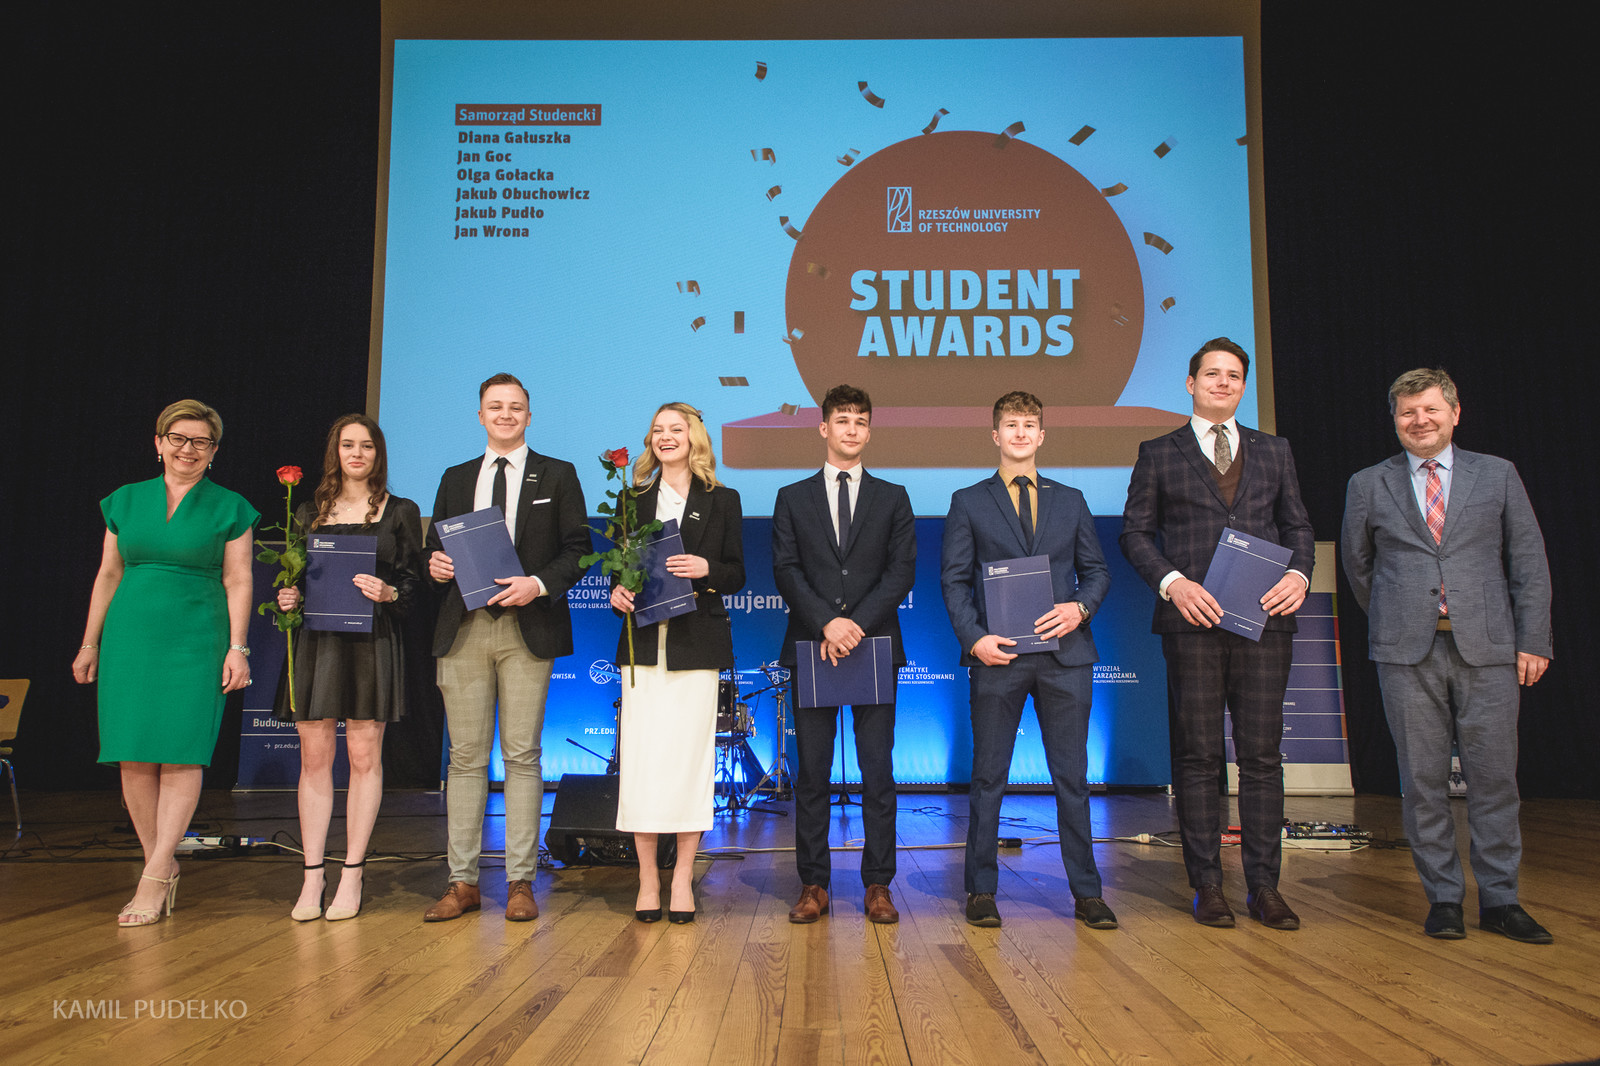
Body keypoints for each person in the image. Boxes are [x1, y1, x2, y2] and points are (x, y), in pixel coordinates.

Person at [1341, 368, 1553, 943]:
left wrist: (1533, 639)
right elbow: (1359, 567)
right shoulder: (1368, 483)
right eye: (1408, 412)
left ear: (1455, 413)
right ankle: (1443, 900)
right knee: (1422, 782)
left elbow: (1528, 562)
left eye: (1431, 409)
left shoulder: (1498, 474)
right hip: (1407, 654)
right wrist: (1399, 614)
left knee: (1495, 781)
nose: (1420, 421)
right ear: (1395, 420)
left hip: (1490, 649)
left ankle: (1502, 901)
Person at [1119, 337, 1313, 931]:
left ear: (1243, 387)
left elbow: (1297, 526)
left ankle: (1265, 887)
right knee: (1199, 756)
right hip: (1193, 623)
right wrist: (1173, 583)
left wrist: (1300, 575)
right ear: (1190, 383)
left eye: (1233, 375)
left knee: (1261, 757)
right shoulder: (1158, 452)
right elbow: (1135, 534)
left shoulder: (1275, 450)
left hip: (1264, 622)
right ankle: (1207, 884)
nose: (1223, 383)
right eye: (1212, 374)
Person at [72, 400, 258, 926]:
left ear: (213, 451)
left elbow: (238, 579)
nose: (187, 449)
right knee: (132, 753)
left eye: (201, 441)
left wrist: (237, 647)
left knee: (181, 752)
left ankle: (152, 877)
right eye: (178, 438)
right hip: (130, 637)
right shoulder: (125, 500)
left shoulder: (231, 507)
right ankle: (161, 862)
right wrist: (90, 644)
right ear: (159, 443)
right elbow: (108, 574)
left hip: (196, 638)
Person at [940, 391, 1116, 930]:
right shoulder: (968, 501)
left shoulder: (1072, 499)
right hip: (999, 656)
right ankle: (981, 889)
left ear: (1042, 436)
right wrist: (975, 640)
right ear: (995, 435)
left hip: (1066, 655)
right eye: (1011, 424)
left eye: (1029, 425)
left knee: (1073, 779)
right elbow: (954, 580)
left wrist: (1079, 608)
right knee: (988, 777)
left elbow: (1097, 572)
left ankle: (1087, 893)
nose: (1020, 433)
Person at [423, 373, 590, 922]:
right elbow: (433, 550)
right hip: (464, 627)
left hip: (528, 627)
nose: (505, 414)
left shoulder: (558, 474)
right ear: (480, 415)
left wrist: (536, 584)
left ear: (529, 416)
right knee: (466, 758)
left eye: (515, 407)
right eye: (495, 406)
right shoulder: (455, 477)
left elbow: (578, 549)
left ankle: (521, 881)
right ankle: (462, 882)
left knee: (522, 756)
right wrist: (435, 564)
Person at [772, 385, 915, 924]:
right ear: (823, 428)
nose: (851, 428)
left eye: (860, 421)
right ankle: (813, 884)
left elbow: (901, 572)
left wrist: (854, 625)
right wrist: (826, 622)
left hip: (873, 644)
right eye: (842, 419)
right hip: (813, 645)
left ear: (869, 431)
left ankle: (878, 884)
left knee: (878, 771)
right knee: (812, 772)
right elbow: (786, 570)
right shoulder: (792, 497)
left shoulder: (893, 497)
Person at [273, 415, 424, 921]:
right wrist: (289, 597)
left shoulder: (401, 511)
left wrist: (390, 591)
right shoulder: (307, 513)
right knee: (314, 759)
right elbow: (295, 579)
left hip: (371, 642)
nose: (357, 453)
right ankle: (312, 875)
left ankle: (353, 874)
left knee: (363, 756)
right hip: (317, 644)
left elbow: (413, 586)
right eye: (347, 445)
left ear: (379, 453)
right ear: (334, 452)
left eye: (367, 446)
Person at [609, 403, 744, 924]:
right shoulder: (630, 499)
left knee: (690, 763)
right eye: (657, 431)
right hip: (643, 648)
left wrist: (707, 568)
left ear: (694, 438)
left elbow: (737, 573)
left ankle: (683, 876)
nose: (666, 437)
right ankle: (648, 878)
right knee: (641, 763)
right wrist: (618, 592)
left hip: (696, 645)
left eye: (676, 429)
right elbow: (618, 572)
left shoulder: (722, 500)